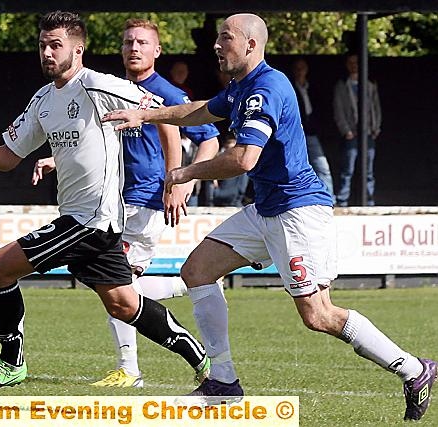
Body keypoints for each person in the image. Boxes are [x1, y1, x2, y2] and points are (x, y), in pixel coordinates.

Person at [103, 13, 436, 420]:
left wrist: (186, 172)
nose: (216, 44)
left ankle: (413, 368)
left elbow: (244, 159)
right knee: (198, 270)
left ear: (250, 45)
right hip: (266, 209)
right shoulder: (242, 86)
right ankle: (223, 381)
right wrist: (148, 115)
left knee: (318, 315)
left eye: (225, 37)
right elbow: (202, 112)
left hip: (297, 213)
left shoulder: (267, 88)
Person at [0, 11, 210, 394]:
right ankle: (201, 358)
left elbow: (163, 114)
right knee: (124, 305)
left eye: (55, 45)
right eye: (42, 44)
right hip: (88, 220)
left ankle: (11, 364)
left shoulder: (99, 85)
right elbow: (8, 156)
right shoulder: (43, 99)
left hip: (90, 220)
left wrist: (176, 176)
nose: (46, 52)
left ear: (78, 49)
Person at [32, 18, 219, 388]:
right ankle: (190, 284)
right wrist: (58, 159)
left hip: (145, 198)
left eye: (142, 43)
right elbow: (97, 140)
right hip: (113, 200)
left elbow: (206, 136)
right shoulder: (111, 89)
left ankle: (130, 369)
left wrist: (181, 179)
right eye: (128, 42)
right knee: (116, 287)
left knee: (120, 288)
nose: (134, 48)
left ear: (157, 51)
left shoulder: (165, 92)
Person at [333, 52, 382, 207]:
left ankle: (369, 201)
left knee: (368, 171)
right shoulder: (342, 86)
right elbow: (338, 109)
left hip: (368, 132)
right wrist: (345, 130)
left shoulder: (370, 85)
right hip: (351, 133)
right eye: (351, 63)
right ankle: (343, 200)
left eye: (356, 62)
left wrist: (376, 127)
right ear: (347, 65)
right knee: (348, 169)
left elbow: (376, 107)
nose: (354, 66)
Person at [291, 57, 335, 200]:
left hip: (311, 132)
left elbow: (320, 109)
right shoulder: (290, 88)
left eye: (302, 69)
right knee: (294, 168)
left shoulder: (313, 88)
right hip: (295, 134)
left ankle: (329, 199)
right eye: (297, 69)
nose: (300, 72)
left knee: (322, 167)